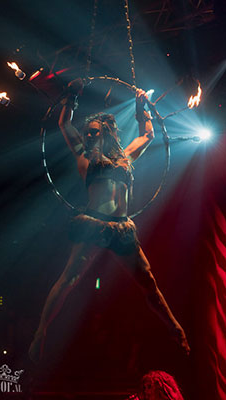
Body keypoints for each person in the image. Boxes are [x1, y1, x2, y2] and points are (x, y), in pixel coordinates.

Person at [29, 78, 190, 363]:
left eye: (93, 133)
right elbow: (65, 125)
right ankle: (40, 331)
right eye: (87, 134)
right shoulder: (85, 156)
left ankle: (175, 327)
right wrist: (71, 98)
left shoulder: (126, 156)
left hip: (123, 227)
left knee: (148, 281)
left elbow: (148, 135)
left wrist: (142, 108)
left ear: (107, 132)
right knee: (69, 277)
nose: (89, 137)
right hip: (94, 223)